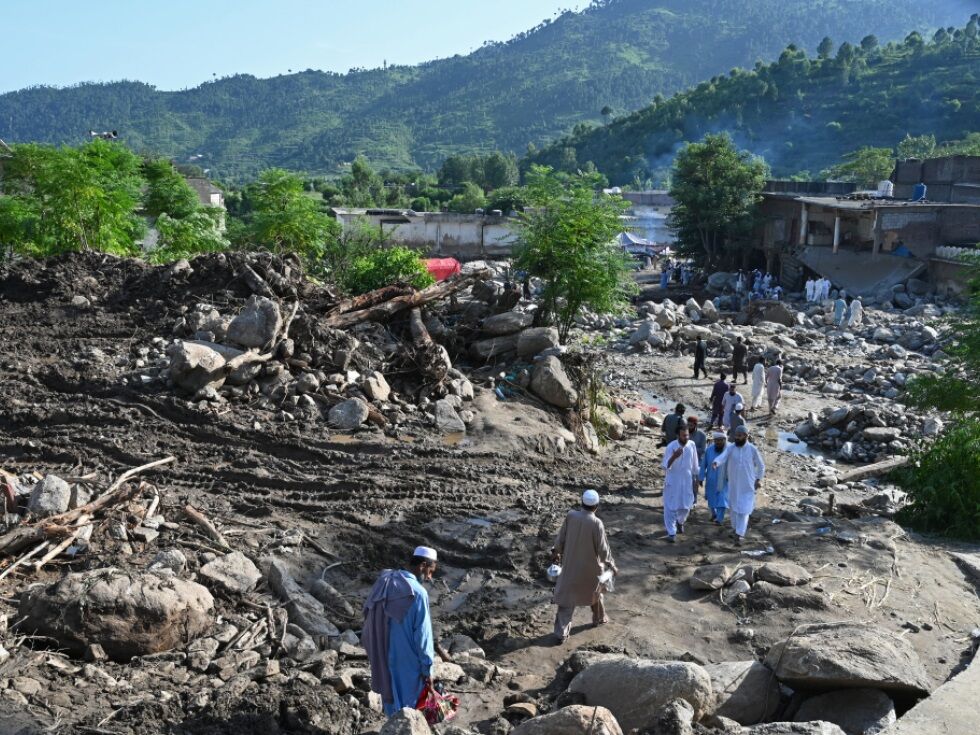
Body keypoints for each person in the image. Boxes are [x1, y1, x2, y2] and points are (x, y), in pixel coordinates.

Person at [363, 546, 438, 716]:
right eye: (430, 571)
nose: (429, 577)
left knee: (390, 701)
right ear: (422, 565)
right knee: (409, 709)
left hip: (381, 654)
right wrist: (428, 671)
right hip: (408, 662)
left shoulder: (384, 582)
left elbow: (367, 616)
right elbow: (423, 638)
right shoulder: (418, 593)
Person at [551, 490, 617, 644]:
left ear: (581, 502)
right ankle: (599, 618)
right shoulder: (596, 523)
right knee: (595, 592)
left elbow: (561, 537)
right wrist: (611, 565)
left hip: (570, 567)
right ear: (596, 506)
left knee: (567, 599)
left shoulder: (571, 516)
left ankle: (561, 633)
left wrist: (556, 551)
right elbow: (603, 549)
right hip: (591, 569)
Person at [714, 425, 765, 545]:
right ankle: (735, 529)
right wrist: (716, 462)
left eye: (739, 436)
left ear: (746, 436)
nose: (737, 438)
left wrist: (758, 479)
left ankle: (740, 534)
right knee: (733, 508)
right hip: (734, 484)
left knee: (744, 510)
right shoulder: (731, 448)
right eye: (736, 435)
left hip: (748, 484)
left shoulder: (752, 449)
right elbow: (723, 456)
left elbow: (761, 466)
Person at [662, 425, 700, 543]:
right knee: (670, 507)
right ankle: (671, 533)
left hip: (687, 481)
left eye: (687, 435)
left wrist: (696, 478)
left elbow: (695, 464)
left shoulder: (691, 445)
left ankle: (680, 522)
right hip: (673, 482)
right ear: (678, 435)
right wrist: (674, 456)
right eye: (684, 435)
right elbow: (665, 466)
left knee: (686, 506)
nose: (686, 437)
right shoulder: (671, 446)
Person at [700, 432, 729, 524]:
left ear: (724, 440)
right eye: (717, 441)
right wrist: (701, 477)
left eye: (721, 440)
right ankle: (714, 513)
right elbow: (703, 464)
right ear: (714, 441)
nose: (719, 442)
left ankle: (719, 519)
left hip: (724, 480)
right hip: (711, 478)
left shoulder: (729, 450)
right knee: (711, 498)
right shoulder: (709, 450)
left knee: (722, 499)